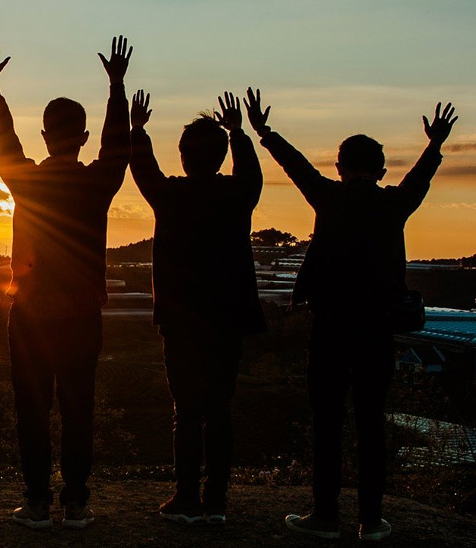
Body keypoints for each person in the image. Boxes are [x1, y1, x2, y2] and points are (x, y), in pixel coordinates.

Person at [254, 92, 458, 541]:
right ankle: (371, 519)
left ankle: (325, 515)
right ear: (381, 171)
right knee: (371, 423)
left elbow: (295, 166)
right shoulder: (394, 203)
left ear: (339, 167)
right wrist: (434, 144)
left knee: (326, 422)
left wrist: (265, 132)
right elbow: (420, 178)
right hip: (377, 328)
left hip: (329, 326)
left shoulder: (328, 196)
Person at [0, 35, 132, 529]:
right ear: (83, 137)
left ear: (44, 136)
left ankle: (37, 502)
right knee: (78, 408)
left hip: (29, 314)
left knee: (33, 410)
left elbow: (4, 142)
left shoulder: (26, 180)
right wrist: (116, 88)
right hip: (83, 314)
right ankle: (77, 503)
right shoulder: (97, 182)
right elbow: (118, 147)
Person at [129, 90, 266, 526]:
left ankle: (186, 498)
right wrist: (239, 133)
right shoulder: (238, 194)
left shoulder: (171, 195)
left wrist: (137, 129)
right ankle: (216, 502)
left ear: (184, 156)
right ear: (222, 156)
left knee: (186, 411)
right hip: (228, 319)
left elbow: (143, 169)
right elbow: (251, 174)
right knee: (219, 408)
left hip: (181, 320)